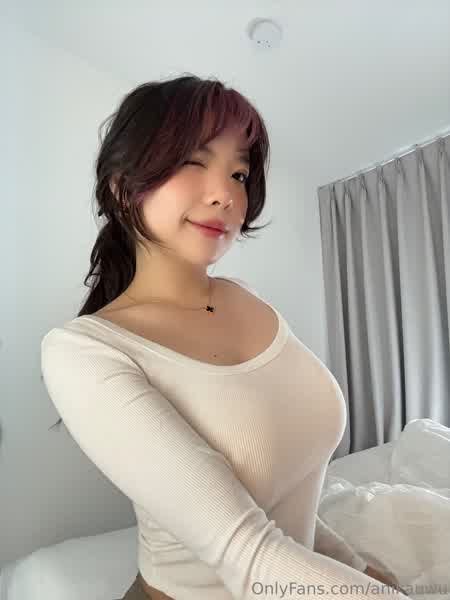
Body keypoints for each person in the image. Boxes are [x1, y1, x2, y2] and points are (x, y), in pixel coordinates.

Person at [41, 74, 407, 599]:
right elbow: (245, 548)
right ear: (122, 187)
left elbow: (292, 488)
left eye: (239, 173)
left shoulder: (248, 299)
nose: (226, 195)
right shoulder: (84, 351)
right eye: (193, 161)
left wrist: (356, 566)